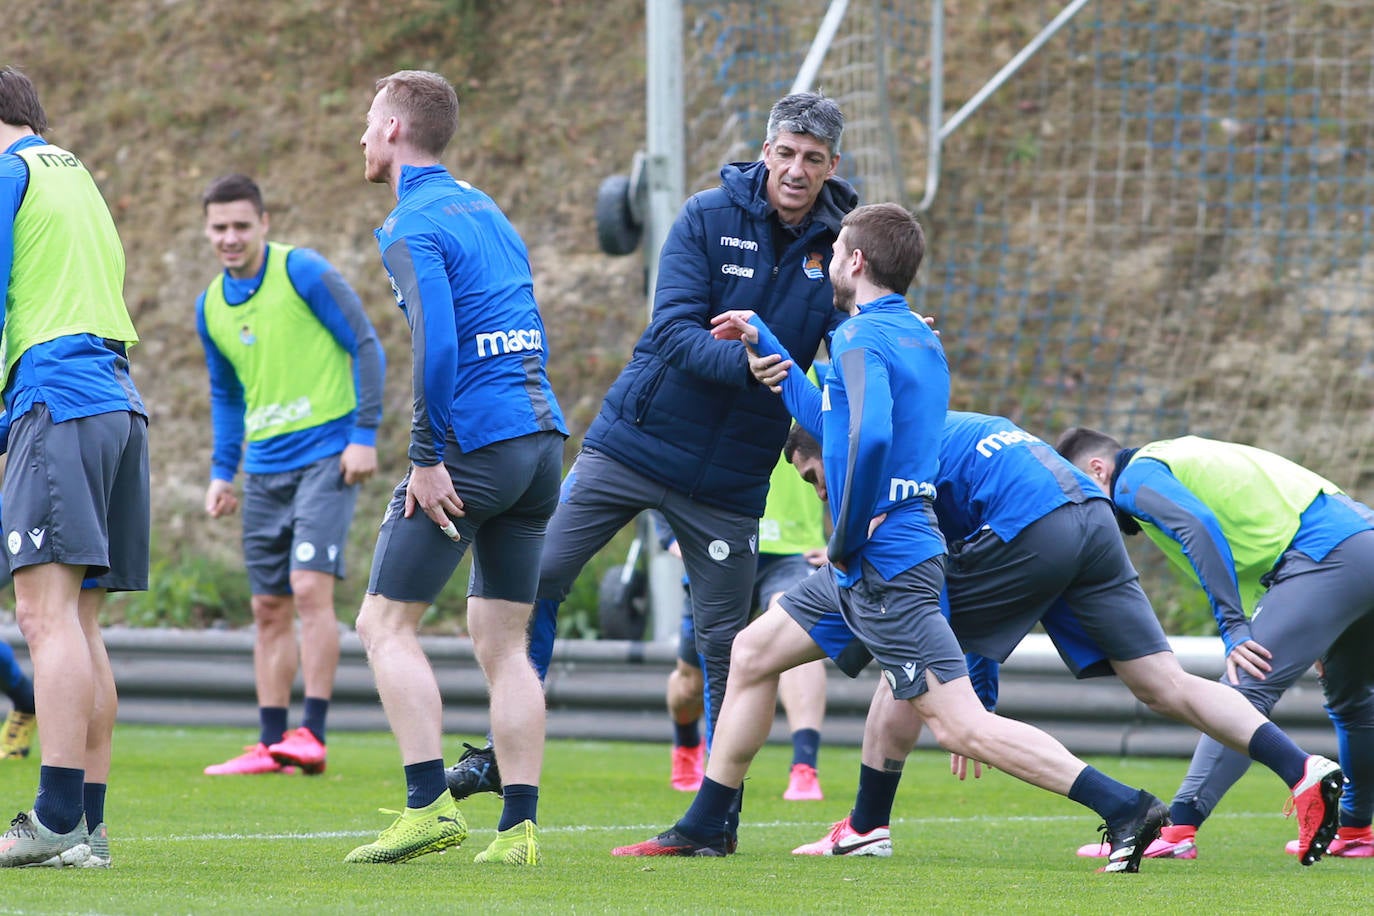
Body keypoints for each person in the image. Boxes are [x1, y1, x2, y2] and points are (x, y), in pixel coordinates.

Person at [612, 202, 1167, 873]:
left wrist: (846, 532)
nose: (828, 262)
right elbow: (833, 415)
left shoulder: (857, 339)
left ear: (856, 261)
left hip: (886, 566)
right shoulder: (916, 338)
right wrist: (771, 349)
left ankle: (1125, 807)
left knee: (961, 725)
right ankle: (706, 824)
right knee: (753, 650)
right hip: (883, 558)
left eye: (838, 248)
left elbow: (868, 434)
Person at [443, 90, 857, 800]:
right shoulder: (706, 216)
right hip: (631, 446)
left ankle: (715, 813)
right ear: (766, 151)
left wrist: (898, 334)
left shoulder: (844, 242)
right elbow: (670, 330)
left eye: (812, 159)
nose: (795, 169)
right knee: (534, 576)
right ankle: (502, 749)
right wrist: (745, 365)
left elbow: (857, 334)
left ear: (831, 165)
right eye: (785, 153)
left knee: (725, 647)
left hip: (729, 484)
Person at [782, 416, 1344, 866]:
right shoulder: (942, 424)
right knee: (1164, 684)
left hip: (1032, 526)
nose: (820, 490)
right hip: (1090, 515)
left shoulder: (883, 464)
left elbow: (932, 599)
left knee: (912, 664)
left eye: (812, 476)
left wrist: (972, 690)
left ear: (833, 445)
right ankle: (1301, 769)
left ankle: (865, 826)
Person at [345, 69, 567, 867]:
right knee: (503, 643)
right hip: (542, 443)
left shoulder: (411, 221)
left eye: (370, 123)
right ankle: (520, 832)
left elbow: (436, 343)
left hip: (476, 445)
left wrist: (428, 458)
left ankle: (427, 807)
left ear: (398, 130)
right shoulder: (485, 207)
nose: (362, 137)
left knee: (381, 622)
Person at [1055, 427, 1371, 861]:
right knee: (1353, 701)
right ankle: (1356, 831)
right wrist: (1314, 625)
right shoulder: (1174, 457)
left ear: (1098, 468)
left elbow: (1197, 526)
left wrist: (1233, 628)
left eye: (1078, 488)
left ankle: (1178, 829)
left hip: (1323, 552)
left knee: (1242, 688)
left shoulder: (1133, 478)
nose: (1081, 506)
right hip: (1358, 539)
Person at [0, 66, 150, 868]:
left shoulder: (6, 173)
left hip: (56, 399)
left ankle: (52, 815)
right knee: (81, 624)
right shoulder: (74, 173)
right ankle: (85, 830)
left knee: (43, 616)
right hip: (117, 402)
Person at [196, 174, 385, 778]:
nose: (230, 238)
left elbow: (366, 344)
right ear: (207, 230)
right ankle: (271, 742)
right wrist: (223, 472)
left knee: (309, 589)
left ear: (264, 223)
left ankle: (313, 733)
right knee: (268, 607)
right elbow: (226, 396)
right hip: (265, 471)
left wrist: (364, 434)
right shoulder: (209, 306)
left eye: (241, 226)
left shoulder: (303, 271)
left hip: (328, 456)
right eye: (220, 227)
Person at [668, 454, 831, 799]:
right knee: (690, 683)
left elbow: (857, 455)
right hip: (719, 545)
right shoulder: (716, 398)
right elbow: (671, 443)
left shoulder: (812, 399)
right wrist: (666, 533)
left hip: (793, 553)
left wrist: (849, 541)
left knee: (797, 634)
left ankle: (805, 766)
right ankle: (686, 745)